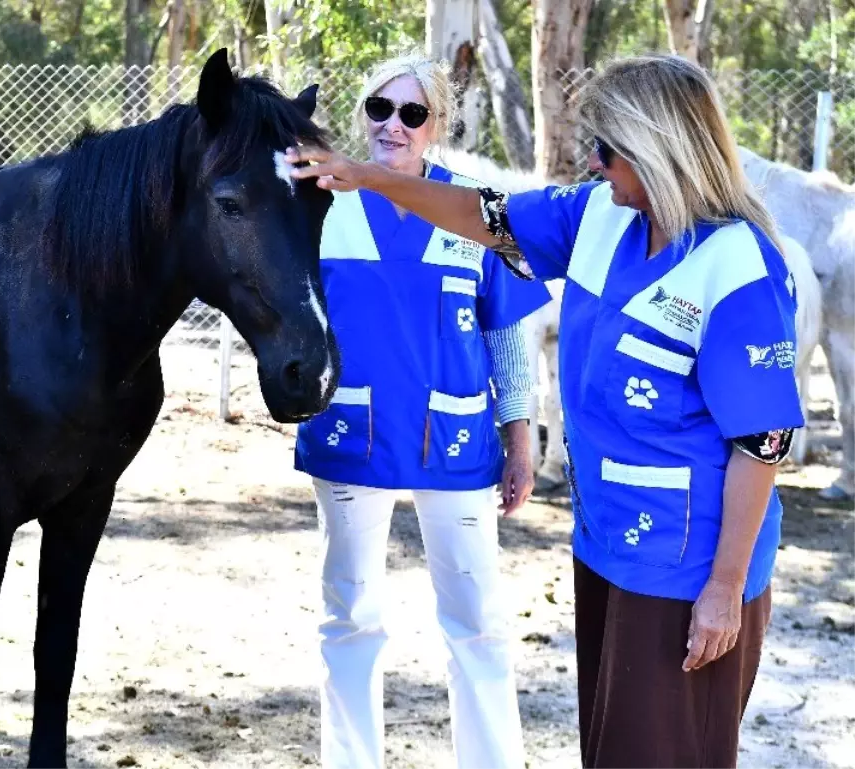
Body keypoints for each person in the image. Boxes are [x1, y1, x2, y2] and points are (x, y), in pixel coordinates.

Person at [287, 54, 804, 769]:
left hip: (690, 566)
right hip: (608, 547)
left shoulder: (737, 263)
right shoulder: (599, 212)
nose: (594, 161)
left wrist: (723, 590)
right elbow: (483, 214)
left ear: (658, 146)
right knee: (615, 745)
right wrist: (371, 176)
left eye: (608, 148)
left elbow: (763, 440)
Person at [292, 52, 553, 769]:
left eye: (411, 113)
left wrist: (521, 437)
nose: (392, 126)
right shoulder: (320, 200)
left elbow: (506, 332)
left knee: (477, 622)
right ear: (362, 114)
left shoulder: (477, 205)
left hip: (458, 440)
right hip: (353, 434)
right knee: (350, 617)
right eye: (380, 108)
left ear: (435, 124)